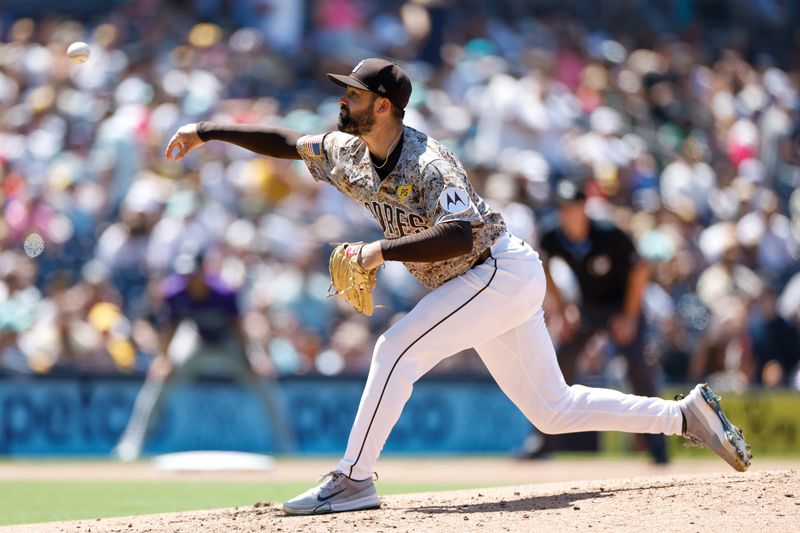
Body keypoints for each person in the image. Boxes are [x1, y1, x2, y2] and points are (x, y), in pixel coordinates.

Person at [164, 58, 751, 515]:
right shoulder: (349, 152)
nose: (342, 99)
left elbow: (459, 232)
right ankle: (685, 416)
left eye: (354, 93)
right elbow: (286, 142)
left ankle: (352, 478)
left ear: (385, 106)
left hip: (496, 269)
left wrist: (377, 251)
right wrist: (206, 131)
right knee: (553, 410)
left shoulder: (426, 161)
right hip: (490, 283)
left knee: (394, 348)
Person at [515, 180, 668, 463]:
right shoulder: (553, 235)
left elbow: (640, 270)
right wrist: (563, 308)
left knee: (639, 367)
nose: (568, 214)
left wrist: (630, 317)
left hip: (622, 306)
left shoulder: (608, 234)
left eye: (573, 208)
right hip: (587, 307)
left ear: (584, 208)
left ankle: (657, 446)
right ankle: (542, 442)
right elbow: (541, 266)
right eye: (563, 209)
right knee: (557, 362)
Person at [113, 251, 296, 461]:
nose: (190, 278)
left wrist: (252, 359)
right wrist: (163, 359)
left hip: (228, 343)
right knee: (159, 379)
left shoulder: (224, 292)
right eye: (186, 274)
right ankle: (132, 444)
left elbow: (238, 329)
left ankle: (285, 445)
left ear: (203, 271)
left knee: (264, 381)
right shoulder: (174, 292)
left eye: (194, 273)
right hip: (196, 340)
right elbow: (171, 328)